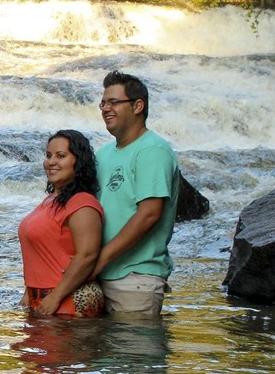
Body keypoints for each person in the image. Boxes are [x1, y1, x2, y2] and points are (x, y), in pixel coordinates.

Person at [92, 70, 179, 315]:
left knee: (133, 342)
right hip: (100, 275)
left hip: (136, 278)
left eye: (114, 102)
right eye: (103, 103)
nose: (106, 109)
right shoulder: (103, 154)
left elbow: (149, 214)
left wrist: (100, 259)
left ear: (138, 106)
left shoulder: (152, 150)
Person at [19, 129, 105, 317]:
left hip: (69, 298)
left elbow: (88, 255)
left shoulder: (82, 202)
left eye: (60, 156)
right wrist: (29, 292)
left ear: (78, 161)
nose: (51, 162)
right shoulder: (50, 200)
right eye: (48, 155)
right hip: (44, 297)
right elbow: (41, 253)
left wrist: (56, 297)